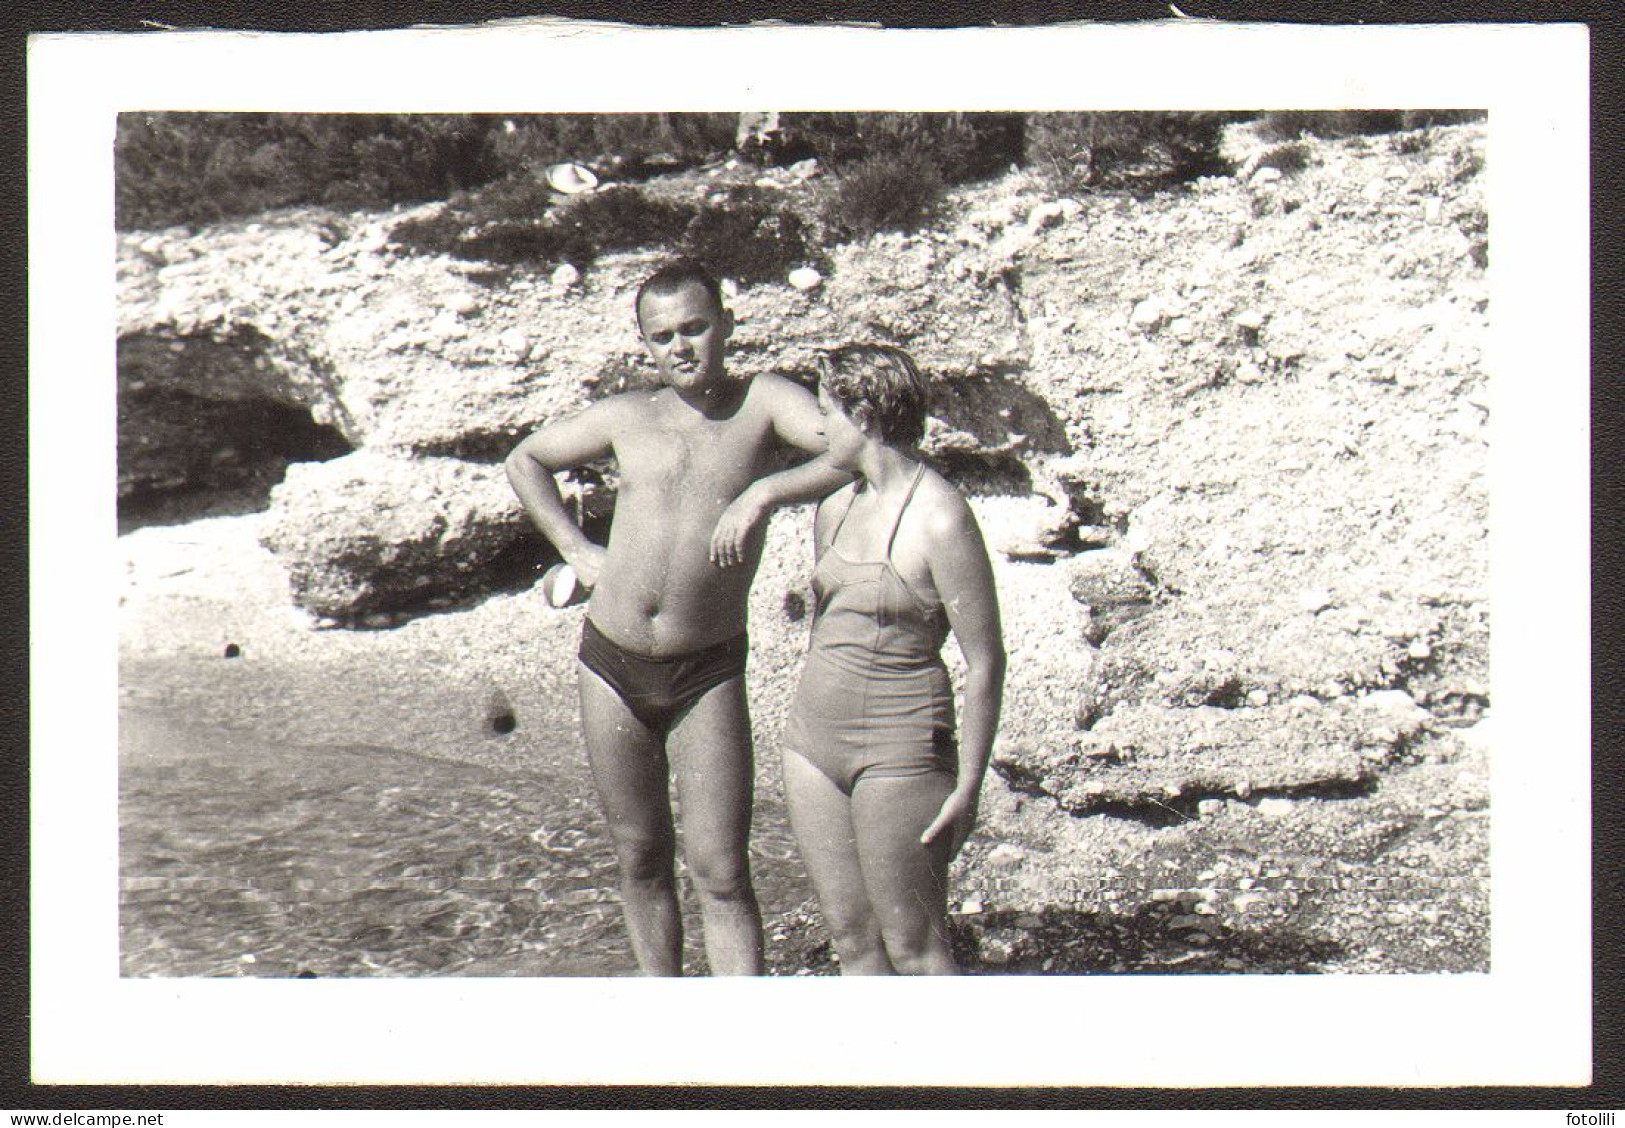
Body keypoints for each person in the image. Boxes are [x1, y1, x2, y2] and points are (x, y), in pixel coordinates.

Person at [505, 260, 848, 976]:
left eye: (695, 327)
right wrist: (574, 547)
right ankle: (667, 1031)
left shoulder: (764, 403)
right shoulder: (629, 416)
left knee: (721, 870)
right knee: (640, 857)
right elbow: (526, 459)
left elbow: (849, 451)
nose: (682, 347)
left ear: (725, 323)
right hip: (611, 662)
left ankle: (742, 1060)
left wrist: (764, 495)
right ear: (646, 345)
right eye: (663, 337)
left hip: (706, 668)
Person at [779, 344, 1005, 975]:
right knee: (851, 941)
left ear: (867, 415)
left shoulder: (941, 518)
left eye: (828, 412)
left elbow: (985, 662)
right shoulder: (835, 506)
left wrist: (969, 786)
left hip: (901, 748)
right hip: (811, 745)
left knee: (917, 949)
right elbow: (829, 626)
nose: (821, 428)